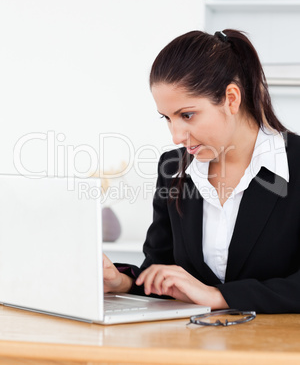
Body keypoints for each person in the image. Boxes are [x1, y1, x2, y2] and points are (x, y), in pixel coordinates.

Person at [103, 29, 300, 313]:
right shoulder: (173, 168)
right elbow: (161, 273)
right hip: (194, 347)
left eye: (187, 115)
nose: (176, 135)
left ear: (231, 99)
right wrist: (120, 282)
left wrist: (219, 296)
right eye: (167, 118)